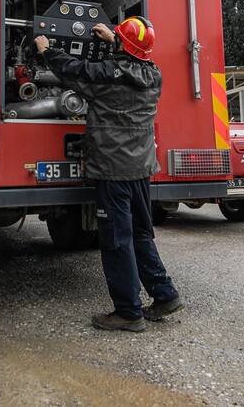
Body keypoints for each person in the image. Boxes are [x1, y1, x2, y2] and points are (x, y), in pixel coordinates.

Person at [33, 17, 184, 332]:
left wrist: (47, 50)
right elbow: (129, 61)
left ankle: (128, 313)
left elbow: (74, 71)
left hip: (113, 170)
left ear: (123, 46)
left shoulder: (104, 77)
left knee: (116, 240)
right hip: (141, 169)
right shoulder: (154, 75)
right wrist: (113, 39)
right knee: (141, 233)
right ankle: (164, 294)